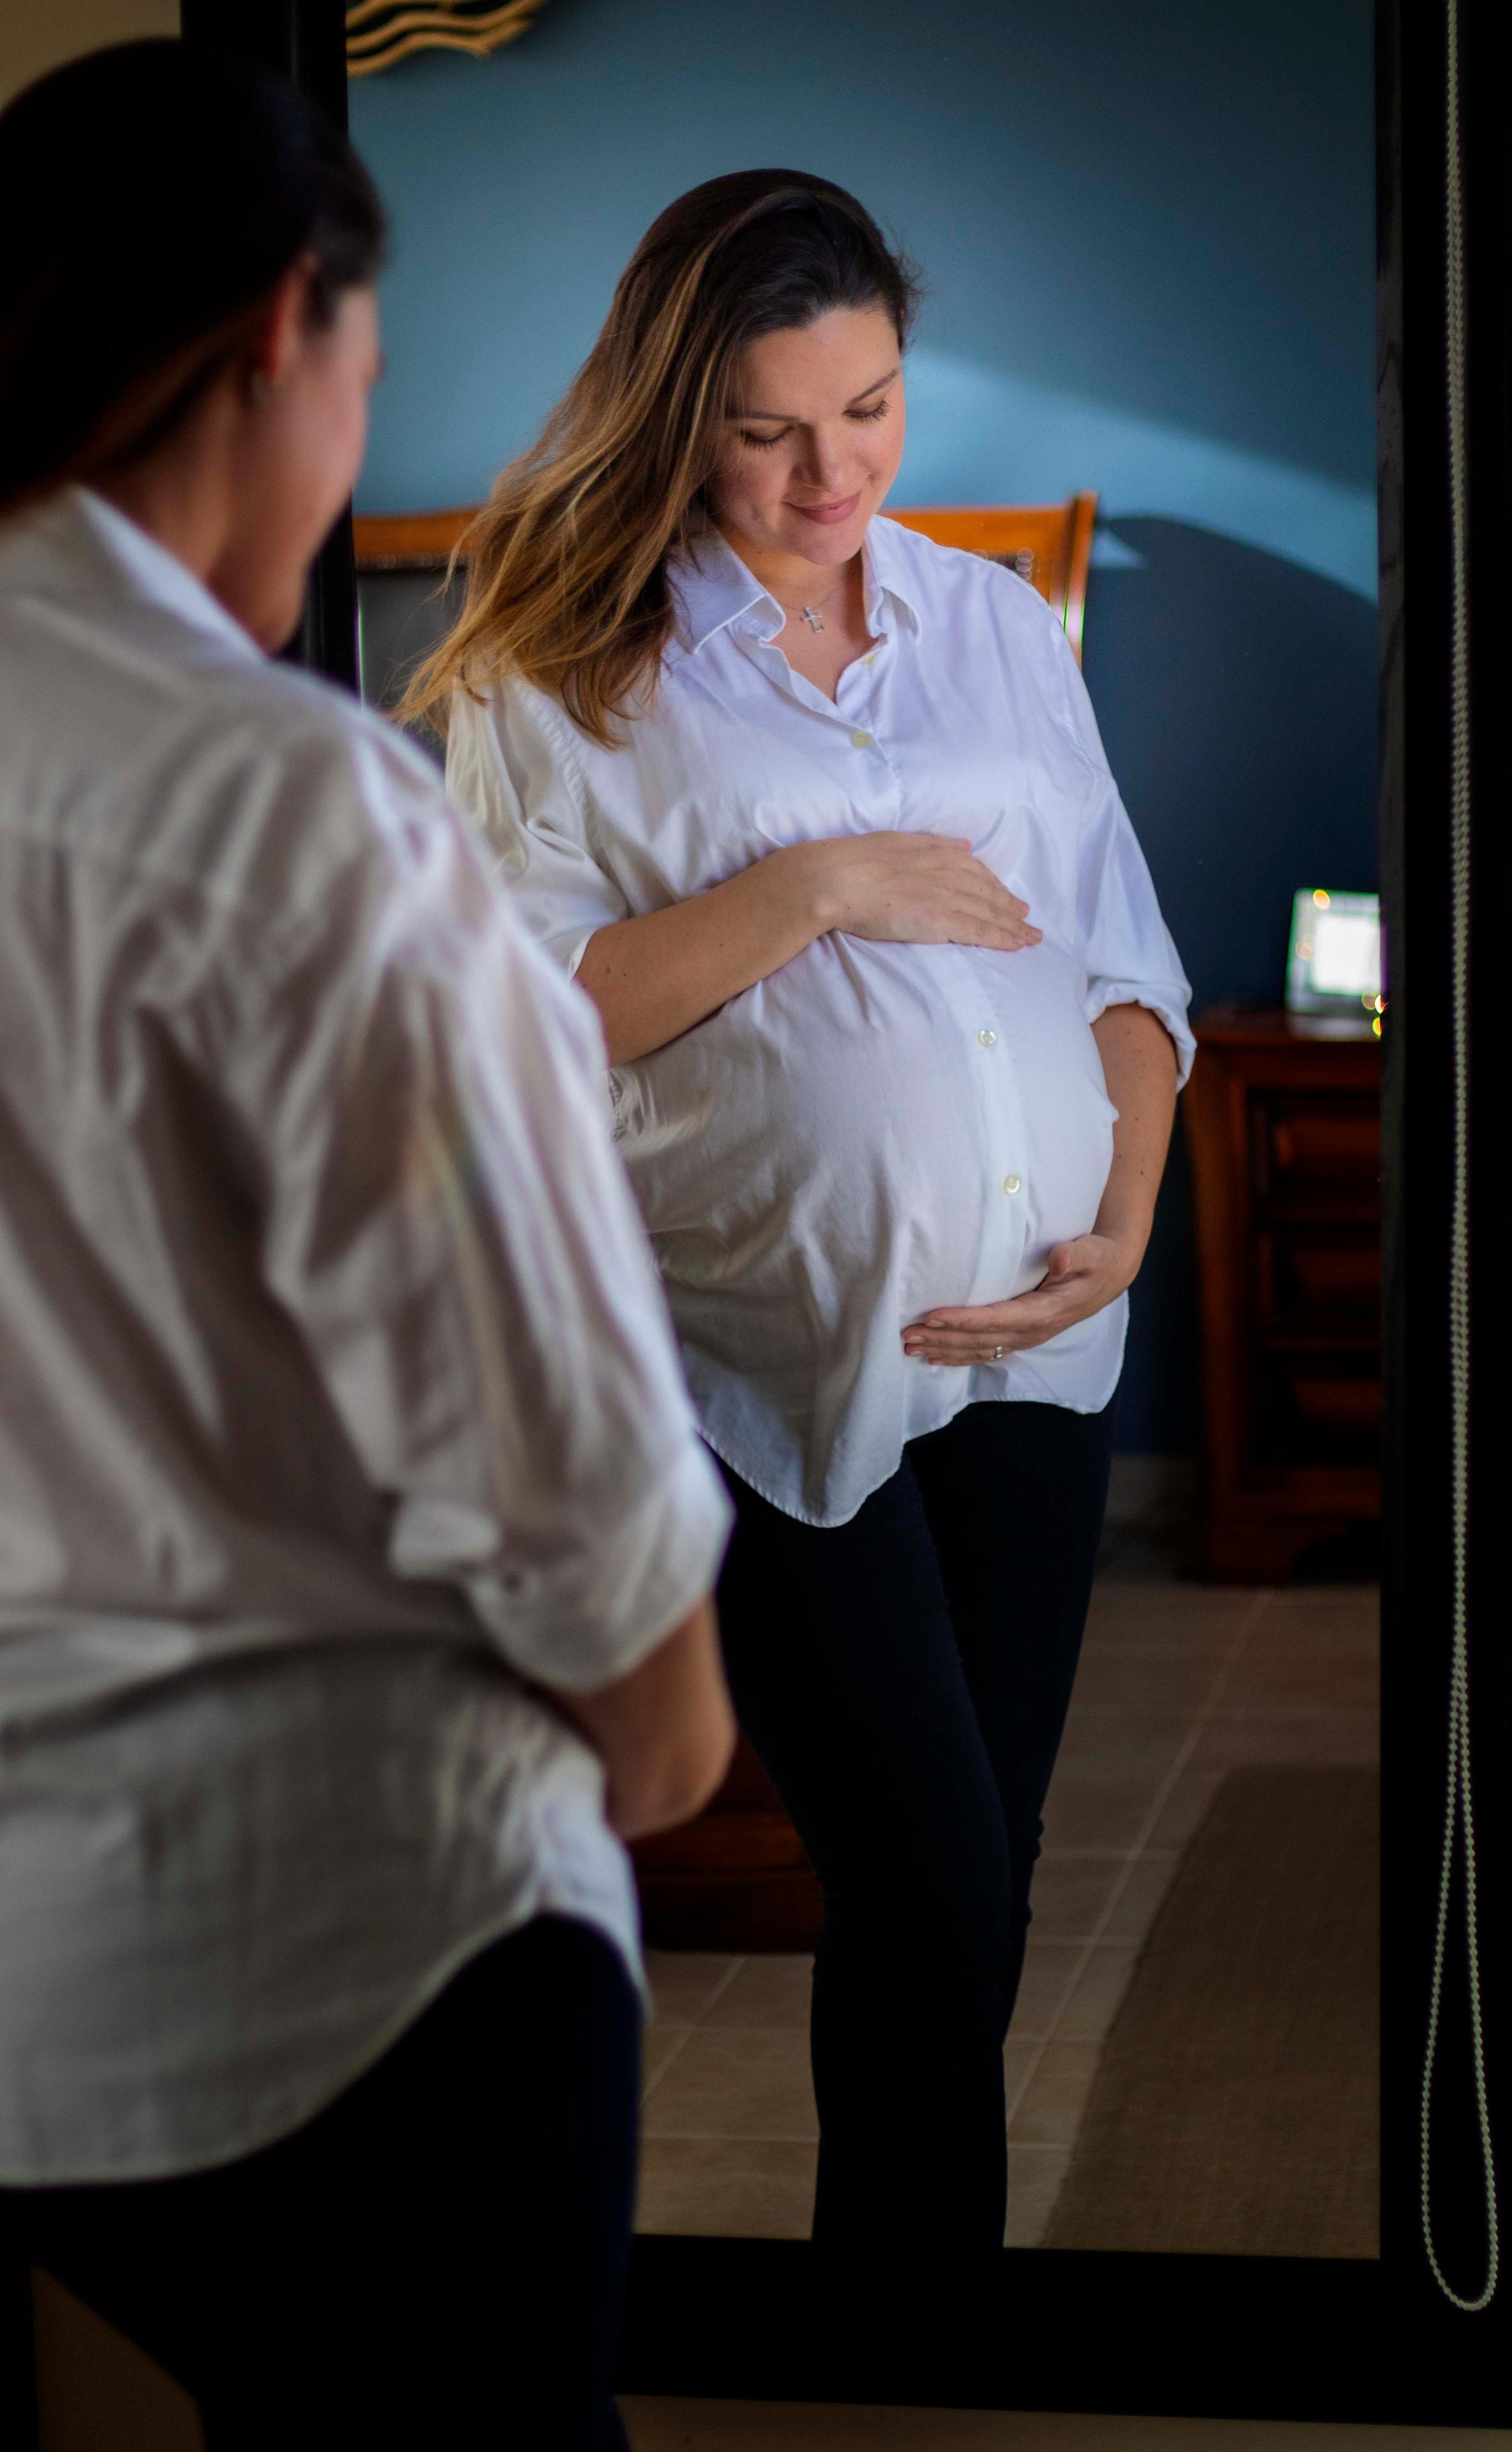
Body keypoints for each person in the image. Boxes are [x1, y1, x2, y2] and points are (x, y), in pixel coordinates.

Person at [0, 42, 734, 2448]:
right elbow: (531, 1417)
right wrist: (668, 1719)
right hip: (347, 1943)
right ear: (267, 344)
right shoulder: (282, 803)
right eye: (366, 380)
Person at [414, 169, 1193, 2253]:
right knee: (926, 1866)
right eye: (770, 429)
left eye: (869, 408)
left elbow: (1126, 962)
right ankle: (905, 2304)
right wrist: (815, 887)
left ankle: (909, 2310)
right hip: (762, 1360)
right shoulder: (568, 665)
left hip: (1040, 1344)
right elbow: (522, 1022)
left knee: (978, 1874)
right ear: (681, 415)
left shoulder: (1004, 627)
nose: (829, 468)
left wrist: (1131, 1206)